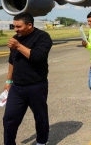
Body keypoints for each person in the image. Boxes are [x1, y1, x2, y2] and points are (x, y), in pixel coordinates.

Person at [3, 12, 53, 145]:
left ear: (29, 25)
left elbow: (37, 56)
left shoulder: (43, 37)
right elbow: (11, 61)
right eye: (14, 26)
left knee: (40, 117)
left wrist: (18, 46)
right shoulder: (16, 38)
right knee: (9, 118)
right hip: (17, 87)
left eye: (18, 26)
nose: (15, 30)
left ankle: (41, 142)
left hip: (36, 86)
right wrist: (8, 81)